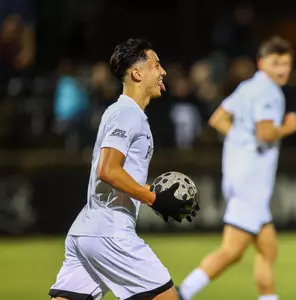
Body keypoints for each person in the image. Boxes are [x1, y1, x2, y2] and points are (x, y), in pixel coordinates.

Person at [49, 38, 198, 300]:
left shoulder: (120, 111)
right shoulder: (127, 113)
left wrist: (153, 194)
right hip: (111, 232)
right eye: (157, 65)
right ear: (137, 73)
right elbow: (107, 170)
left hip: (86, 232)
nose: (163, 72)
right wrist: (153, 197)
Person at [178, 36, 296, 300]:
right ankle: (181, 294)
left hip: (239, 177)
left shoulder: (247, 87)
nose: (282, 69)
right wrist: (288, 127)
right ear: (261, 63)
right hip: (252, 184)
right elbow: (266, 133)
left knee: (268, 250)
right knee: (231, 251)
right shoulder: (270, 92)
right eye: (276, 63)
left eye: (286, 63)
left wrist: (241, 141)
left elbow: (218, 119)